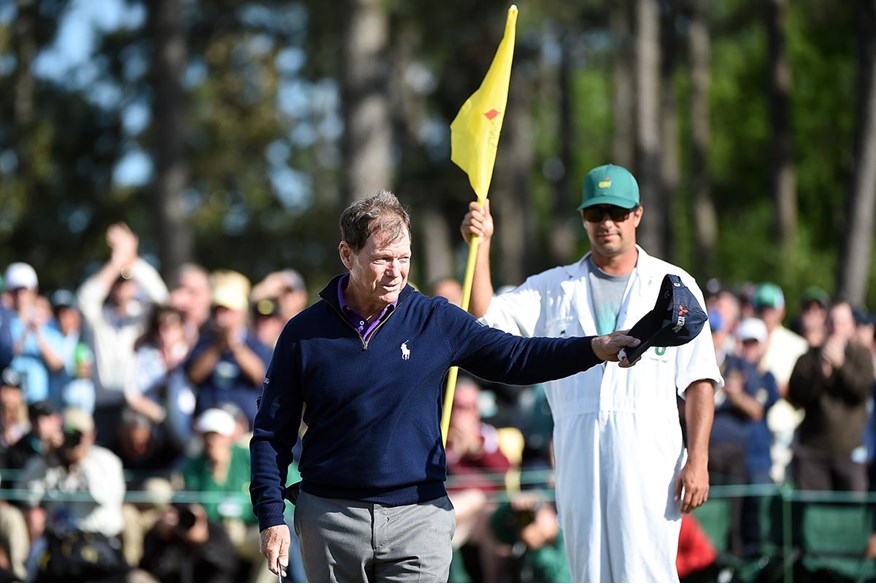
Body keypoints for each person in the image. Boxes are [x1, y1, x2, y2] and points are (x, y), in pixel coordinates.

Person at [250, 190, 640, 583]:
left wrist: (593, 347)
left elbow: (516, 356)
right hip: (331, 520)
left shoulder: (433, 319)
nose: (395, 272)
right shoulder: (303, 332)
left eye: (404, 258)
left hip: (419, 518)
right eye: (382, 259)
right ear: (347, 255)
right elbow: (270, 433)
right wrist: (271, 516)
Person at [459, 163, 722, 582]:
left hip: (650, 455)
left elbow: (700, 380)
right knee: (586, 571)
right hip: (576, 448)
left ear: (637, 214)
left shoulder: (672, 284)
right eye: (597, 213)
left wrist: (699, 460)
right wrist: (483, 244)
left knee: (647, 570)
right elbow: (485, 314)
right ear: (583, 217)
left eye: (617, 213)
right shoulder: (553, 287)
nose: (607, 223)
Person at [76, 222, 170, 450]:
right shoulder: (99, 318)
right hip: (105, 408)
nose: (121, 288)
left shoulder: (141, 315)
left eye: (127, 283)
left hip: (137, 407)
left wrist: (133, 258)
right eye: (117, 283)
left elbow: (162, 299)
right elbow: (85, 298)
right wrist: (116, 262)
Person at [786, 301, 874, 492]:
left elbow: (862, 390)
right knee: (814, 516)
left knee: (851, 516)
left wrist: (841, 366)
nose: (836, 328)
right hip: (813, 452)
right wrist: (820, 374)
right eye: (833, 322)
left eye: (842, 323)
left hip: (850, 452)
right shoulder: (808, 358)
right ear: (825, 325)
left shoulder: (862, 356)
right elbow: (795, 396)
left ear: (851, 327)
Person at [185, 270, 272, 427]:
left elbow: (260, 376)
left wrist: (235, 347)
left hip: (245, 430)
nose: (220, 317)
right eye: (217, 311)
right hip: (206, 426)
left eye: (227, 311)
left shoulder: (256, 345)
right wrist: (217, 347)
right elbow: (193, 375)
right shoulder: (204, 344)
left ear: (241, 313)